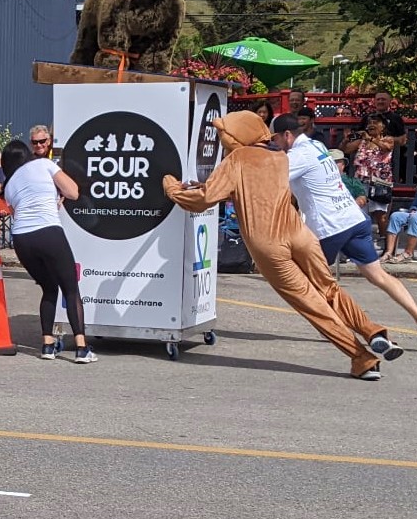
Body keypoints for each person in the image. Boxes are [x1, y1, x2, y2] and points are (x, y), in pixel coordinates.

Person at [165, 111, 397, 380]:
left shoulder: (237, 158)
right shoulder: (279, 157)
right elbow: (254, 187)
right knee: (329, 288)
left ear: (235, 136)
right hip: (300, 234)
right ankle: (372, 330)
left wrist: (172, 188)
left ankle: (362, 358)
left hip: (269, 244)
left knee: (310, 303)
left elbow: (203, 199)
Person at [275, 113, 417, 351]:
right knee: (378, 275)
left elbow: (272, 179)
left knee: (309, 281)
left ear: (287, 135)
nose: (274, 144)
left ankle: (343, 326)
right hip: (354, 218)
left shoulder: (296, 156)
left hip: (329, 226)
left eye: (275, 139)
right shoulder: (316, 145)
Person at [4, 125, 94, 362]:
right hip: (48, 231)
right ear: (28, 150)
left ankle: (47, 344)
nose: (38, 146)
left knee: (48, 288)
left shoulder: (9, 185)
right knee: (71, 288)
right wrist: (60, 196)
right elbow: (73, 192)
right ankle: (82, 348)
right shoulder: (46, 165)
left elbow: (17, 210)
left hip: (22, 239)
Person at [349, 114, 396, 241]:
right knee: (360, 213)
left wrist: (370, 138)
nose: (372, 124)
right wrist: (347, 138)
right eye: (369, 122)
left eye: (375, 122)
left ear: (383, 126)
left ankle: (385, 241)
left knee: (380, 214)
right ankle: (362, 240)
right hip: (360, 180)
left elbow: (387, 148)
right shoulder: (362, 141)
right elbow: (346, 150)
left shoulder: (388, 139)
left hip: (380, 182)